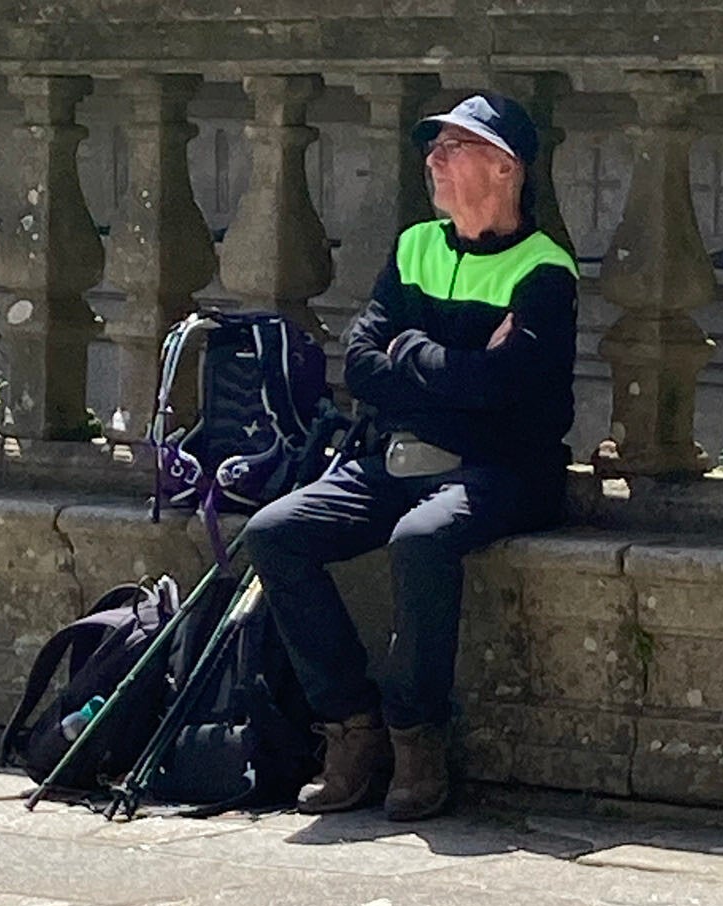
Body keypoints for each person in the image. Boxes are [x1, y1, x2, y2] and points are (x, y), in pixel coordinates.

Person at [245, 91, 579, 822]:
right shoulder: (414, 246)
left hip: (502, 471)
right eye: (433, 147)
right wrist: (453, 370)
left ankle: (416, 735)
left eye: (454, 147)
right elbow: (361, 364)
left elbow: (506, 393)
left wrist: (413, 354)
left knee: (421, 540)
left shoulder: (545, 271)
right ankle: (350, 726)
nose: (434, 159)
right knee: (275, 532)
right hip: (401, 460)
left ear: (506, 168)